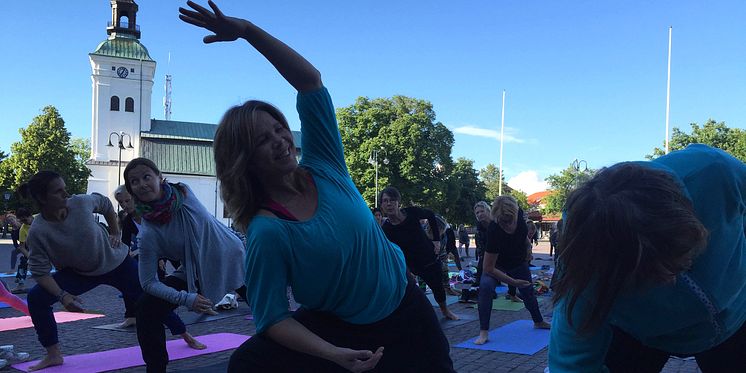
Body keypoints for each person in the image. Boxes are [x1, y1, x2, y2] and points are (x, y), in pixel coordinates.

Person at [179, 2, 455, 371]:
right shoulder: (268, 230)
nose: (279, 140)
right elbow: (273, 318)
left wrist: (247, 30)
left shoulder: (325, 166)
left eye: (279, 129)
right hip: (343, 331)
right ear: (244, 159)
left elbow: (309, 81)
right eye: (263, 140)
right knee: (247, 363)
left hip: (408, 312)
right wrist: (332, 353)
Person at [549, 144, 746, 372]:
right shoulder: (584, 270)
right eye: (649, 276)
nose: (670, 281)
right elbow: (571, 363)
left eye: (681, 259)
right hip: (641, 336)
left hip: (736, 319)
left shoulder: (713, 171)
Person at [122, 158, 245, 373]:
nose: (142, 184)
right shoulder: (149, 234)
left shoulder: (184, 194)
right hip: (194, 271)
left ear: (160, 178)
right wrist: (186, 298)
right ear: (131, 190)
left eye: (146, 177)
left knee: (270, 310)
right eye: (134, 181)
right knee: (145, 308)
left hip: (233, 258)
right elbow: (149, 282)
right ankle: (156, 369)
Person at [20, 171, 142, 371]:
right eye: (58, 191)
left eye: (64, 188)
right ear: (43, 198)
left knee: (148, 295)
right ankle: (53, 355)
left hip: (115, 262)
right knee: (36, 298)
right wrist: (62, 296)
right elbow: (40, 272)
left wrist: (115, 231)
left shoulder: (79, 202)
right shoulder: (38, 231)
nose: (66, 193)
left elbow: (104, 204)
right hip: (81, 272)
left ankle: (183, 334)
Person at [113, 186, 205, 349]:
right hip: (150, 256)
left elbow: (164, 234)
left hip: (173, 249)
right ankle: (185, 335)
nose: (125, 205)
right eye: (121, 203)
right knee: (154, 297)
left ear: (136, 198)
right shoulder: (128, 221)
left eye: (128, 201)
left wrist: (160, 258)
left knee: (179, 279)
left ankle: (197, 298)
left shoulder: (152, 214)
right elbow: (126, 245)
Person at [475, 195, 550, 345]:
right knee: (485, 288)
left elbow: (523, 236)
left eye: (510, 220)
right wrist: (513, 282)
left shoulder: (520, 215)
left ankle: (538, 321)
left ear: (516, 214)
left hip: (517, 261)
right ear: (497, 218)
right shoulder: (494, 230)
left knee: (528, 291)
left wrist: (528, 246)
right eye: (503, 221)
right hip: (496, 265)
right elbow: (488, 267)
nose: (508, 225)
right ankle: (484, 331)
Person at [380, 186, 460, 321]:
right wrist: (405, 269)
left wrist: (436, 240)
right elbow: (392, 252)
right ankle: (415, 316)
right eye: (385, 201)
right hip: (411, 265)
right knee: (412, 293)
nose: (389, 204)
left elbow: (430, 215)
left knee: (438, 287)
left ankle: (445, 311)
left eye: (392, 200)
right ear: (381, 205)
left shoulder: (411, 213)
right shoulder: (387, 229)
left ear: (398, 202)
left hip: (429, 258)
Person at [11, 208, 33, 294]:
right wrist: (30, 257)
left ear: (30, 215)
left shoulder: (40, 219)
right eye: (22, 221)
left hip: (48, 245)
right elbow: (22, 247)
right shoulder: (23, 229)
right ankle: (20, 285)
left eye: (25, 219)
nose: (25, 222)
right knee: (23, 262)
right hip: (34, 249)